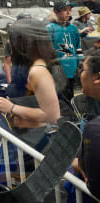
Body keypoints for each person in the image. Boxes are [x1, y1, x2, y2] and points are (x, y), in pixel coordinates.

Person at [0, 18, 60, 129]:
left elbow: (52, 115)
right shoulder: (34, 66)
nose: (9, 42)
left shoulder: (38, 71)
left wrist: (12, 107)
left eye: (13, 40)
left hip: (35, 137)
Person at [71, 47, 100, 201]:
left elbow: (89, 174)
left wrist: (80, 165)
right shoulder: (89, 119)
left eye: (83, 69)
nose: (80, 73)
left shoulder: (94, 129)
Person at [46, 0, 82, 101]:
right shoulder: (50, 28)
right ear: (56, 12)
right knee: (60, 100)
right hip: (58, 71)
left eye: (70, 10)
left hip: (72, 68)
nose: (68, 12)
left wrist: (79, 64)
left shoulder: (73, 28)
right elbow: (47, 51)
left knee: (70, 97)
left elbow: (78, 47)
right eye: (64, 10)